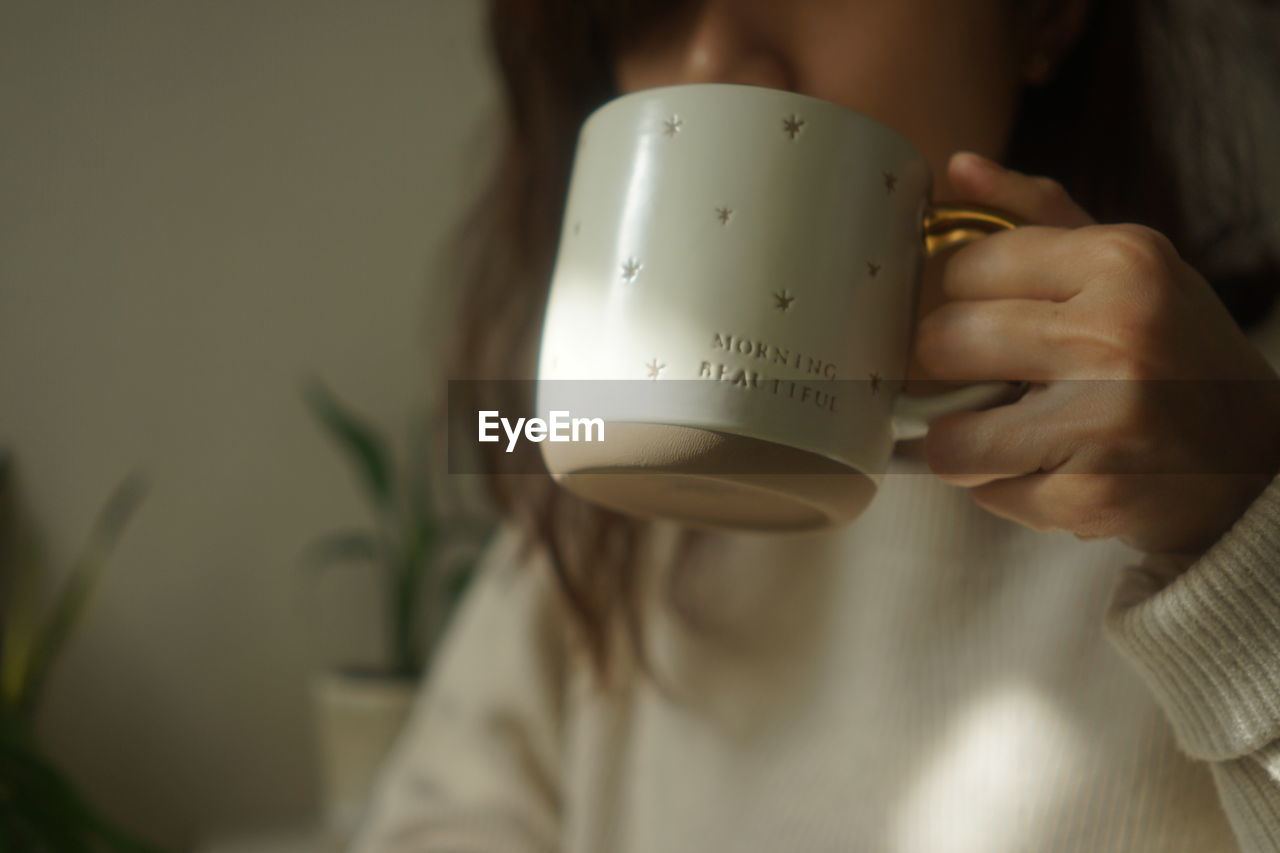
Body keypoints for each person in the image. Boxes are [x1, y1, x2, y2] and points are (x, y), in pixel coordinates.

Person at [353, 0, 1280, 849]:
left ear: (1043, 14)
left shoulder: (1242, 443)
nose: (715, 57)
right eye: (646, 7)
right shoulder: (605, 499)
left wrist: (1237, 534)